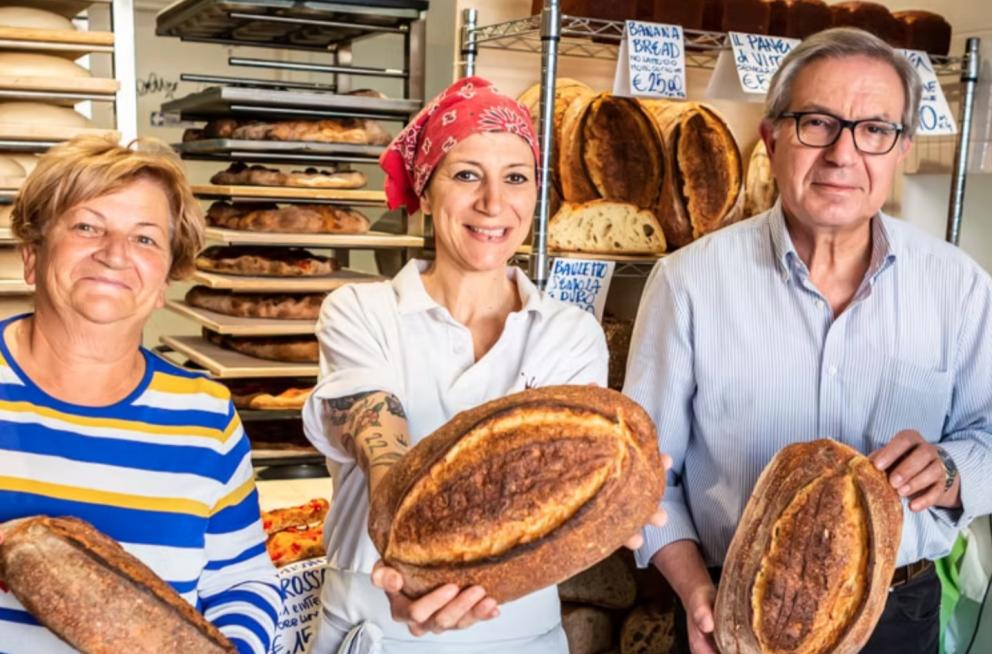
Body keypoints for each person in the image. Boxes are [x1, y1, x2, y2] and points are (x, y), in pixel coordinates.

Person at [624, 27, 992, 654]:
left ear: (900, 148)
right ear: (771, 139)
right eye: (817, 123)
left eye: (875, 129)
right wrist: (693, 592)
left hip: (897, 616)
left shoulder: (958, 287)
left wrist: (953, 469)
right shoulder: (688, 282)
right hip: (733, 608)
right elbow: (646, 476)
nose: (844, 154)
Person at [302, 76, 668, 654]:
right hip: (377, 618)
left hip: (520, 633)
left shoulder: (568, 333)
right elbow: (380, 435)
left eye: (516, 178)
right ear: (425, 190)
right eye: (467, 174)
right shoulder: (360, 310)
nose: (494, 203)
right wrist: (408, 567)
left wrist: (614, 496)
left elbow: (558, 486)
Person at [0, 136, 281, 653]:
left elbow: (241, 580)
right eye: (87, 226)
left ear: (164, 283)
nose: (114, 254)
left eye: (145, 239)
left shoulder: (203, 414)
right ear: (32, 256)